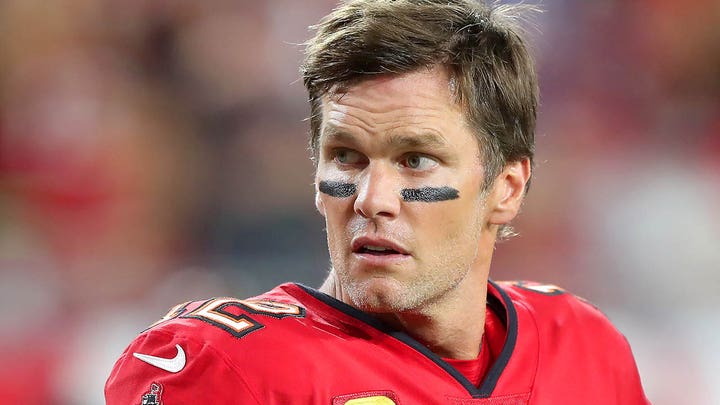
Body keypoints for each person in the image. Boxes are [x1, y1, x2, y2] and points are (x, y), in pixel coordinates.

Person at [105, 0, 650, 403]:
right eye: (346, 157)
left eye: (416, 159)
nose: (372, 199)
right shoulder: (227, 367)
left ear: (506, 189)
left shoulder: (580, 345)